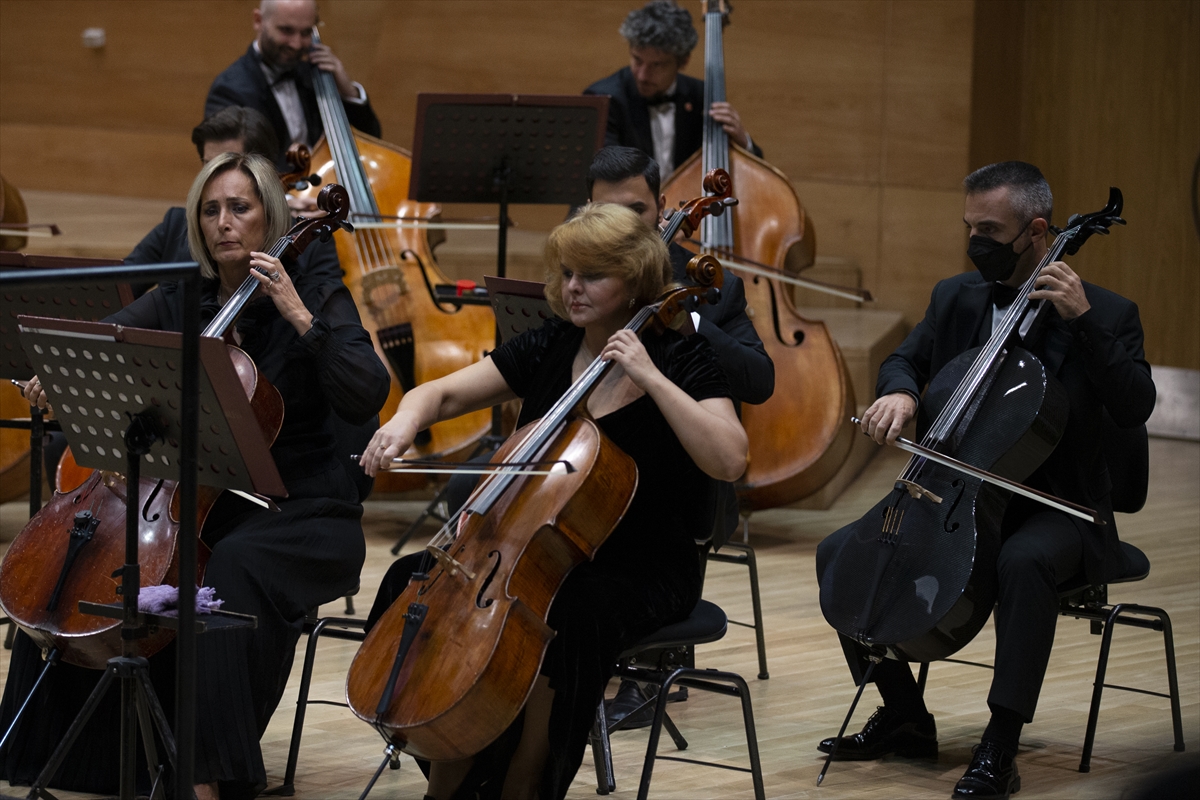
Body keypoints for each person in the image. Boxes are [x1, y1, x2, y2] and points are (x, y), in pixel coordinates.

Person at [5, 152, 389, 800]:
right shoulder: (190, 292)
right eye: (210, 210)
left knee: (230, 571)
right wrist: (67, 370)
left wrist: (298, 314)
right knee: (88, 556)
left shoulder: (315, 285)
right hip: (214, 504)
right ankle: (84, 762)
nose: (223, 223)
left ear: (269, 214)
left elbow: (366, 389)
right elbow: (111, 339)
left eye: (239, 208)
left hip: (303, 510)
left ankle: (210, 777)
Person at [358, 203, 749, 800]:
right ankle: (451, 754)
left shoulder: (679, 356)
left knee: (568, 614)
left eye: (591, 275)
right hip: (531, 549)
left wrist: (649, 375)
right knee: (408, 582)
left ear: (636, 281)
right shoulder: (551, 344)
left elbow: (729, 458)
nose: (572, 287)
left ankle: (528, 778)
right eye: (566, 272)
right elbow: (438, 395)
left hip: (640, 563)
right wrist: (402, 423)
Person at [814, 161, 1155, 799]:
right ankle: (906, 717)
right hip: (956, 496)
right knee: (842, 553)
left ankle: (1001, 743)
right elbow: (903, 360)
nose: (976, 243)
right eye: (969, 227)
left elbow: (1135, 404)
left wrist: (1082, 323)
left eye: (990, 230)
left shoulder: (1107, 312)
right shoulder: (957, 297)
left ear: (1036, 231)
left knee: (1023, 561)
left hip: (1059, 508)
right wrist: (902, 396)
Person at [126, 105, 341, 285]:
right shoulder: (175, 225)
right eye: (209, 166)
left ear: (261, 169)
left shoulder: (311, 243)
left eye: (229, 164)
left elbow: (333, 324)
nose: (217, 177)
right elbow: (116, 289)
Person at [584, 0, 762, 177]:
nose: (642, 75)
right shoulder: (605, 99)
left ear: (683, 61)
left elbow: (752, 173)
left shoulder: (701, 96)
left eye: (657, 65)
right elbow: (605, 178)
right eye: (637, 60)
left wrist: (743, 142)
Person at [205, 0, 381, 165]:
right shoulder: (228, 91)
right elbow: (231, 170)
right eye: (286, 31)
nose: (297, 44)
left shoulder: (314, 73)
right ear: (258, 21)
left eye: (306, 33)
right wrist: (287, 198)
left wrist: (348, 91)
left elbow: (370, 143)